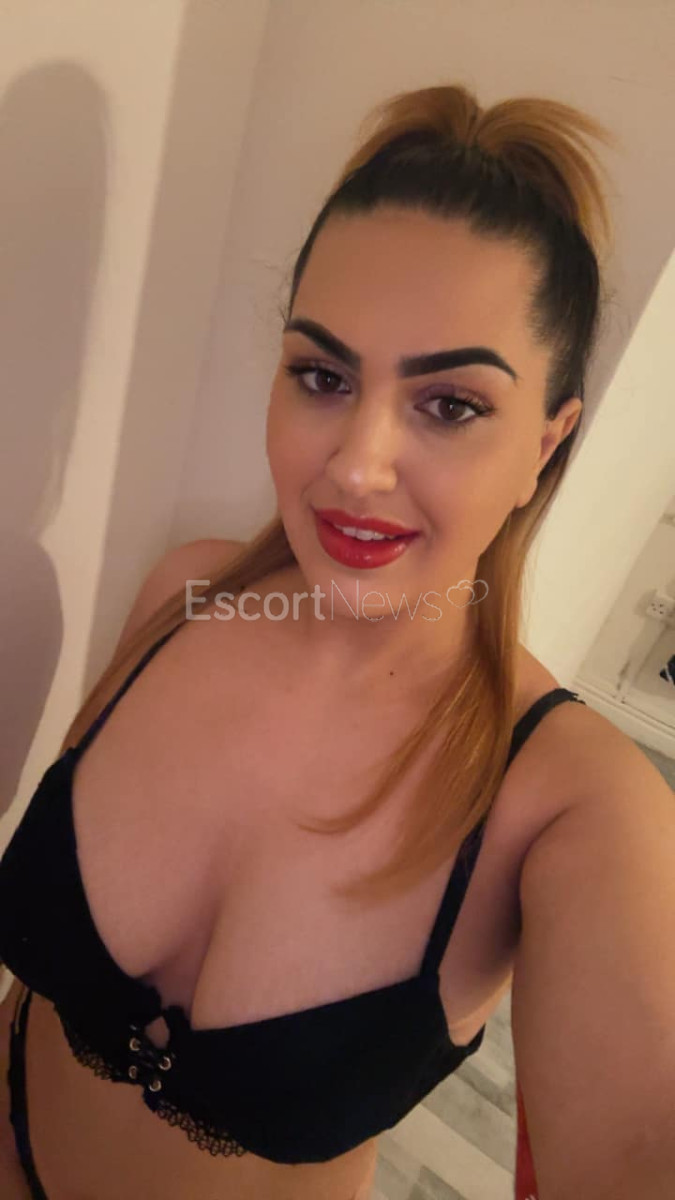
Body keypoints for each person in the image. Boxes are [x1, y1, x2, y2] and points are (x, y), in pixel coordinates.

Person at [2, 81, 674, 1200]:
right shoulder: (186, 592)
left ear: (547, 447)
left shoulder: (576, 806)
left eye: (450, 404)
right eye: (322, 376)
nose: (357, 467)